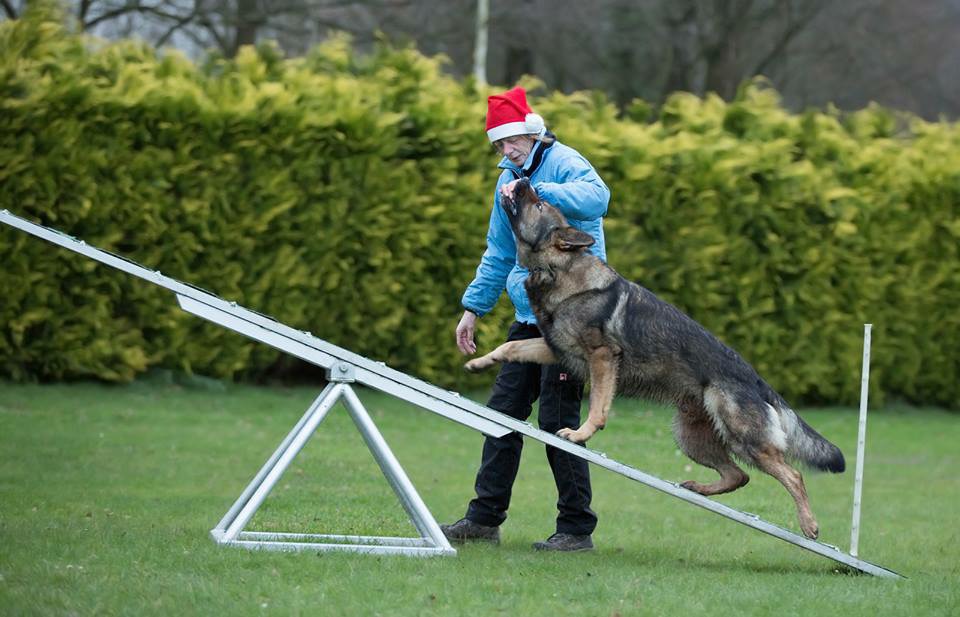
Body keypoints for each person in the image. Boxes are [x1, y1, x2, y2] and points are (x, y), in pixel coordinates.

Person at [440, 86, 610, 552]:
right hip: (528, 315)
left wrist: (540, 193)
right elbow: (498, 251)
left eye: (512, 140)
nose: (506, 150)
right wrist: (473, 308)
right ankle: (483, 520)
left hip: (570, 315)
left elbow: (598, 198)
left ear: (532, 133)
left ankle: (576, 529)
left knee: (558, 422)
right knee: (501, 416)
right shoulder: (506, 181)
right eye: (499, 144)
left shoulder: (565, 162)